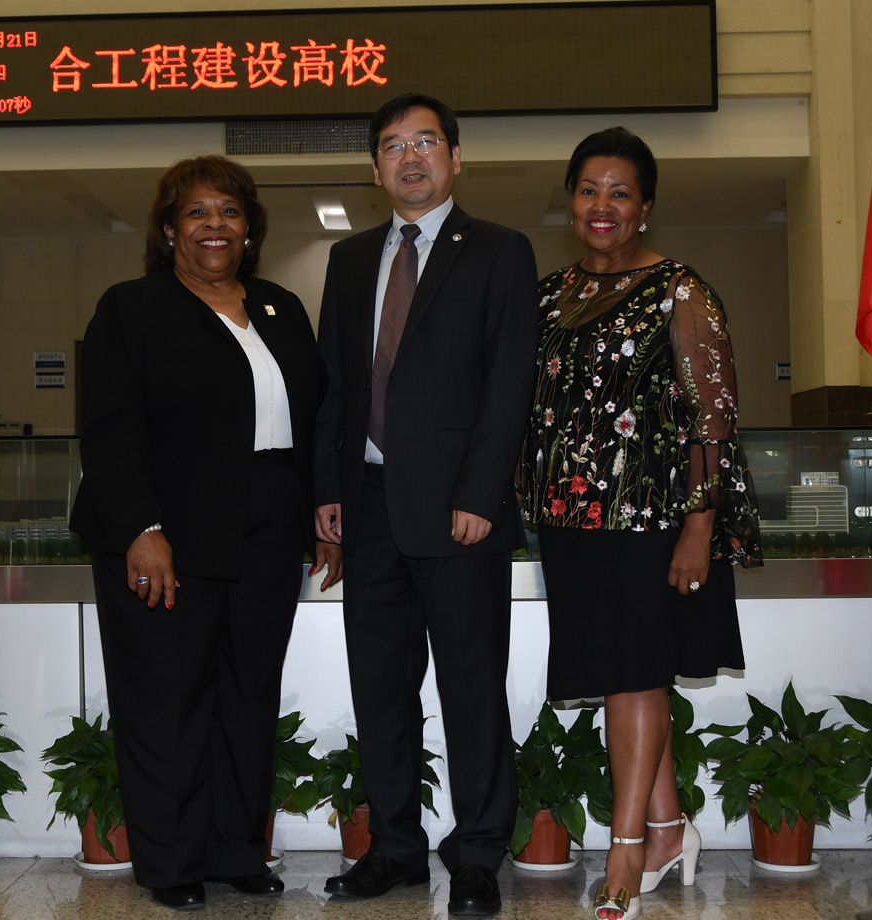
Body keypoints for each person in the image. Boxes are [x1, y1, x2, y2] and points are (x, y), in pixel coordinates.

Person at [70, 155, 341, 910]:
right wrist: (140, 529)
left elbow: (314, 421)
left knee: (246, 701)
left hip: (263, 541)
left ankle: (236, 852)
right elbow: (109, 430)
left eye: (229, 212)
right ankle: (172, 863)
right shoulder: (132, 308)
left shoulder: (282, 307)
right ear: (168, 230)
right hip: (167, 544)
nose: (214, 226)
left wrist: (322, 512)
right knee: (168, 706)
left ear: (250, 229)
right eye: (198, 212)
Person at [518, 128, 762, 920]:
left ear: (645, 207)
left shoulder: (682, 290)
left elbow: (713, 418)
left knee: (632, 673)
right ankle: (665, 829)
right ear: (571, 199)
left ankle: (624, 853)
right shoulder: (549, 294)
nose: (602, 205)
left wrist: (701, 523)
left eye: (620, 192)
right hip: (570, 523)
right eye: (589, 189)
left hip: (653, 520)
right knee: (632, 671)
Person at [312, 93, 539, 916]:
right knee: (380, 688)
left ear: (454, 156)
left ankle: (477, 853)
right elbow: (337, 388)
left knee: (472, 687)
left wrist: (482, 492)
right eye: (392, 147)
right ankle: (398, 849)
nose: (410, 158)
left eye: (426, 143)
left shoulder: (500, 252)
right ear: (375, 168)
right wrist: (327, 493)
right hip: (365, 508)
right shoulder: (349, 259)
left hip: (457, 512)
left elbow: (510, 381)